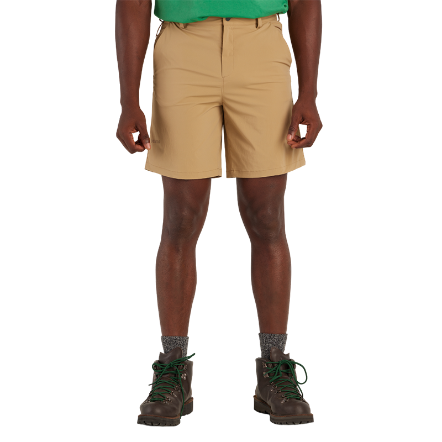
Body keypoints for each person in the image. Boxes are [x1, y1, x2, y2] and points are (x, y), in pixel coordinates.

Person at [116, 0, 322, 427]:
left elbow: (305, 0)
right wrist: (128, 99)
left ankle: (274, 365)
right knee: (180, 218)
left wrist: (309, 93)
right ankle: (173, 367)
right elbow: (133, 2)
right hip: (182, 48)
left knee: (267, 217)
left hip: (262, 45)